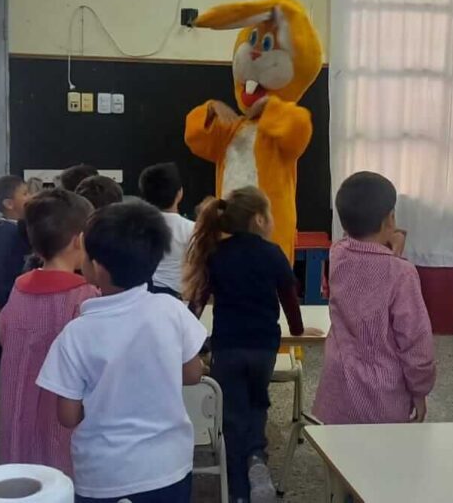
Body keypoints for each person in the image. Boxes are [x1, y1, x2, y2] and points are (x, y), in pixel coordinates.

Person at [37, 200, 206, 503]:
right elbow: (193, 374)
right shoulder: (171, 310)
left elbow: (67, 415)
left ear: (97, 268)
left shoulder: (76, 333)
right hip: (169, 464)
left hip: (103, 474)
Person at [183, 186, 321, 503]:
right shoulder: (272, 253)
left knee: (231, 416)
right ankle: (257, 458)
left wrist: (188, 339)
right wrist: (298, 330)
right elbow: (289, 297)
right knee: (258, 405)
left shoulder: (216, 254)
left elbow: (198, 301)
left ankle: (238, 494)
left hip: (228, 347)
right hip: (263, 347)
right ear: (259, 219)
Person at [313, 172, 436, 425]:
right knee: (380, 460)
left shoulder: (337, 254)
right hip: (382, 399)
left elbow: (365, 260)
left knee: (340, 458)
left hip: (338, 390)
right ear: (390, 219)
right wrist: (420, 390)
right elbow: (416, 343)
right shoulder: (402, 274)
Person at [0, 189, 98, 474]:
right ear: (80, 239)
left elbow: (3, 330)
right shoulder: (86, 296)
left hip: (17, 397)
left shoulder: (19, 286)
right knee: (57, 469)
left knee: (20, 469)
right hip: (60, 406)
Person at [0, 174, 33, 400]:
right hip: (6, 296)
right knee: (2, 339)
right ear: (9, 203)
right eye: (25, 194)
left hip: (13, 295)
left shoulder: (17, 228)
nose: (30, 197)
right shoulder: (6, 232)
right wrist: (2, 302)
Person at [139, 162, 194, 298]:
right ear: (179, 193)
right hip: (178, 297)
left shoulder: (136, 227)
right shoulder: (192, 229)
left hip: (143, 294)